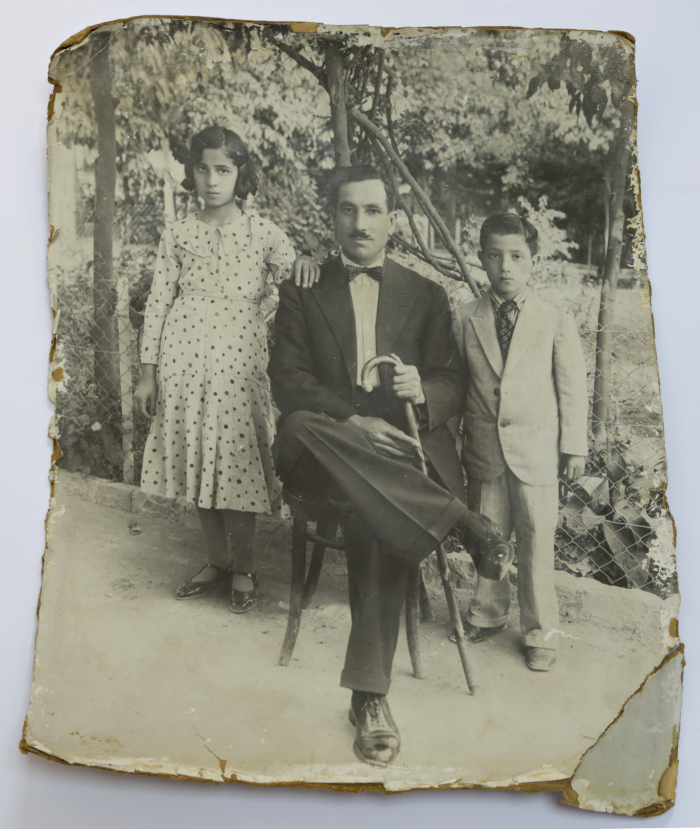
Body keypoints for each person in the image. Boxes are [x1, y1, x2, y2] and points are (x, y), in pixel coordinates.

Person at [269, 166, 504, 767]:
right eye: (348, 210)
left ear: (392, 221)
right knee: (300, 424)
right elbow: (286, 381)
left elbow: (453, 381)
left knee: (377, 508)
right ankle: (458, 520)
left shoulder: (425, 294)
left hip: (398, 454)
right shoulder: (303, 287)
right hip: (323, 450)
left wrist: (421, 390)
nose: (360, 223)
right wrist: (353, 422)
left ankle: (369, 698)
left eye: (373, 210)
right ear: (332, 218)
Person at [133, 125, 298, 614]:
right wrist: (148, 373)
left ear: (240, 174)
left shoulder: (263, 233)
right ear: (192, 172)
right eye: (203, 169)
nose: (211, 180)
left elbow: (295, 279)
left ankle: (244, 566)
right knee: (197, 458)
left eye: (223, 170)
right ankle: (216, 560)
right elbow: (158, 303)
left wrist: (266, 303)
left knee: (236, 460)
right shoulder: (178, 234)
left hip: (238, 366)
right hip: (182, 361)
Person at [453, 213, 589, 672]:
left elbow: (572, 385)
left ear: (534, 261)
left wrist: (574, 446)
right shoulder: (466, 317)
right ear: (481, 259)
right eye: (495, 256)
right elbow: (457, 383)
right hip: (485, 449)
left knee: (535, 541)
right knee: (489, 536)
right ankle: (487, 613)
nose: (505, 266)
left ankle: (540, 630)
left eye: (516, 256)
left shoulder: (553, 319)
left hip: (537, 453)